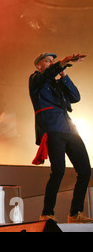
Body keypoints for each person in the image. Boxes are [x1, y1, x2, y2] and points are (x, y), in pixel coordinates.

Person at [29, 52, 91, 223]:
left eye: (53, 61)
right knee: (59, 171)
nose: (51, 63)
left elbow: (76, 97)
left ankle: (75, 213)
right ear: (38, 66)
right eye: (47, 61)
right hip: (52, 128)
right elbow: (47, 75)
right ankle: (47, 213)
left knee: (85, 170)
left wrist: (63, 73)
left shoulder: (57, 83)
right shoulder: (35, 81)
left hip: (70, 129)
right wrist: (62, 63)